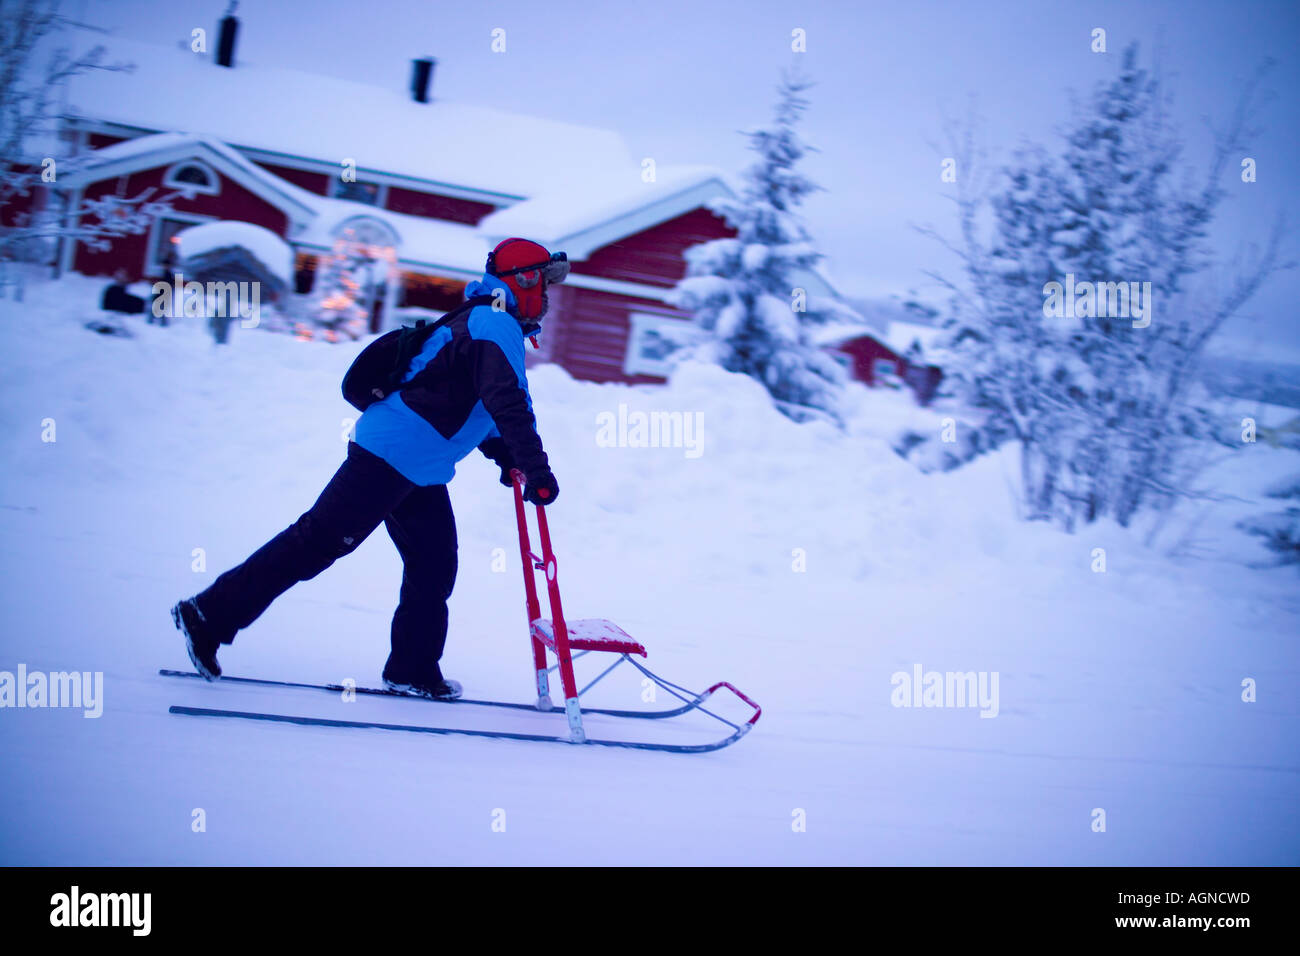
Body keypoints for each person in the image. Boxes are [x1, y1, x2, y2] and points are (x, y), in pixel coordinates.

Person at [171, 238, 567, 699]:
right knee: (316, 543)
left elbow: (472, 401)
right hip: (391, 454)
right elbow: (508, 402)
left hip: (419, 465)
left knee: (433, 565)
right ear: (524, 279)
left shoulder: (488, 322)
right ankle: (207, 614)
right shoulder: (492, 323)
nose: (548, 294)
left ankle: (411, 670)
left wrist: (507, 455)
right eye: (544, 282)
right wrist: (537, 471)